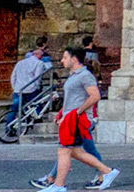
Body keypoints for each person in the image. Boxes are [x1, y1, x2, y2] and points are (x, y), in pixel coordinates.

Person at [29, 45, 118, 191]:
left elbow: (95, 96)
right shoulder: (75, 75)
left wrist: (77, 112)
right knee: (74, 151)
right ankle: (107, 172)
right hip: (70, 118)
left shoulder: (85, 75)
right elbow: (73, 99)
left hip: (76, 120)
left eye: (65, 57)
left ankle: (58, 185)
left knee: (64, 150)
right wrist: (62, 114)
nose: (62, 60)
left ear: (74, 59)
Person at [9, 38, 49, 124]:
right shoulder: (39, 63)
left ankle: (9, 126)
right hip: (31, 89)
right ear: (39, 56)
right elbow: (37, 77)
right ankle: (36, 121)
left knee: (15, 108)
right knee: (35, 104)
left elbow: (13, 76)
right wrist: (37, 87)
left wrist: (14, 87)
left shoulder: (20, 63)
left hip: (18, 89)